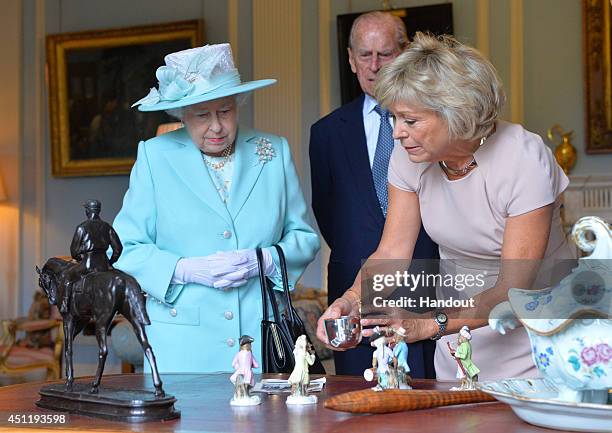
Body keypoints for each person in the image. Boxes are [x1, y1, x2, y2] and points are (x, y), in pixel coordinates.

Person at [316, 32, 575, 381]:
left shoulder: (523, 158)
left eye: (410, 120)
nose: (396, 133)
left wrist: (428, 324)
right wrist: (350, 300)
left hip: (540, 334)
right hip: (457, 332)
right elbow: (392, 251)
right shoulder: (409, 158)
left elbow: (514, 289)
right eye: (394, 118)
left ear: (456, 113)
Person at [113, 43, 320, 373]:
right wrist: (186, 269)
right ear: (181, 115)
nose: (217, 126)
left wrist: (263, 261)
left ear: (238, 105)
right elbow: (126, 249)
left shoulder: (273, 151)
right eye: (202, 115)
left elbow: (303, 237)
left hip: (260, 337)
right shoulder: (155, 156)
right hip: (182, 346)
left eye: (225, 112)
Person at [309, 11, 438, 377]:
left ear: (406, 53)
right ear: (350, 59)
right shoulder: (326, 133)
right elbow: (329, 214)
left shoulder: (434, 124)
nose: (375, 65)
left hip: (429, 285)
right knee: (357, 401)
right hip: (357, 289)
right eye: (364, 55)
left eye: (385, 54)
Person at [60, 199, 122, 313]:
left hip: (87, 264)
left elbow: (73, 250)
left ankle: (64, 304)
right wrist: (111, 262)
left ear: (88, 211)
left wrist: (80, 260)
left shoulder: (82, 227)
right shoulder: (107, 227)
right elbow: (118, 248)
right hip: (104, 264)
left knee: (67, 276)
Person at [449, 326, 480, 390]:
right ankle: (465, 386)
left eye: (460, 336)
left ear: (464, 337)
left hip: (465, 363)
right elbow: (459, 354)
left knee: (464, 376)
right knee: (463, 376)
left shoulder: (465, 345)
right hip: (462, 363)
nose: (459, 337)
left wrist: (456, 354)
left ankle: (468, 386)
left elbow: (464, 356)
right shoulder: (464, 344)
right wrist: (455, 353)